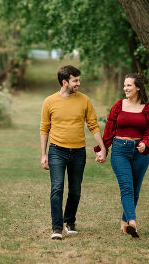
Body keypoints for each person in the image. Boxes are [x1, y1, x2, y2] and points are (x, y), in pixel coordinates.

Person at [40, 65, 106, 240]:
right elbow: (44, 129)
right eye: (75, 80)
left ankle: (70, 221)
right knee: (57, 188)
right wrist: (43, 154)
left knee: (75, 190)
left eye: (78, 79)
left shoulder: (84, 100)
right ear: (64, 82)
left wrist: (102, 147)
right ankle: (57, 228)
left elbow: (93, 125)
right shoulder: (49, 102)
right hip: (56, 151)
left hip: (78, 152)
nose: (79, 83)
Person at [94, 73, 149, 238]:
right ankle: (133, 223)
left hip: (139, 152)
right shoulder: (118, 105)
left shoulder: (148, 108)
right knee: (126, 187)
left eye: (129, 85)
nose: (125, 88)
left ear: (138, 88)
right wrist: (103, 149)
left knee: (135, 190)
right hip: (120, 150)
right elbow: (109, 131)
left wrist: (145, 143)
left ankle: (124, 223)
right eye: (124, 85)